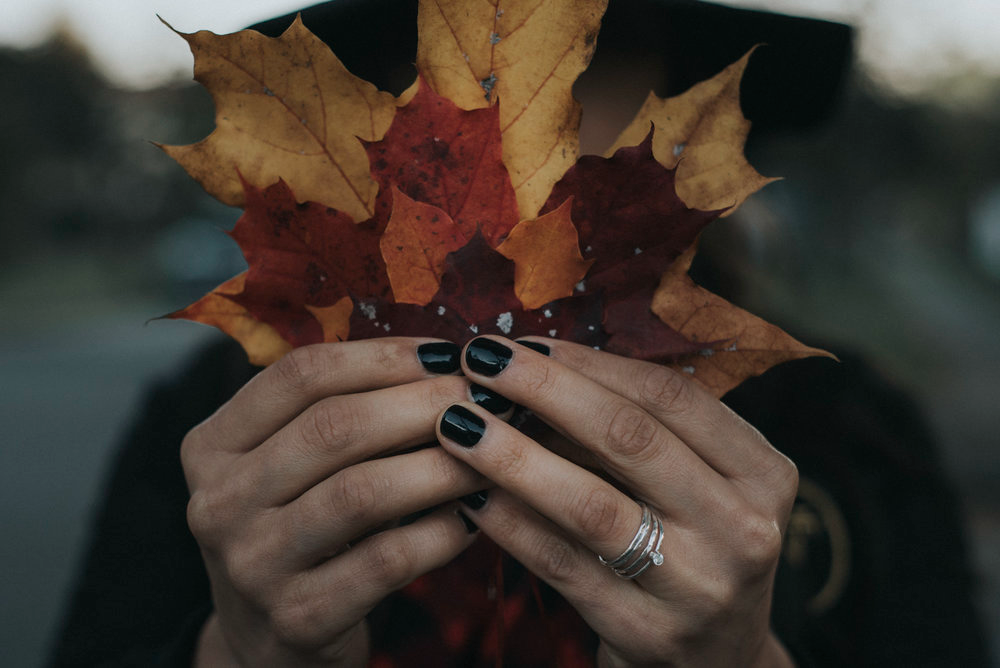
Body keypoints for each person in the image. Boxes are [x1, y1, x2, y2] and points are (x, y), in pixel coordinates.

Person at [49, 1, 989, 666]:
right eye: (448, 72)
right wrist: (241, 653)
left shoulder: (850, 426)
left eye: (580, 64)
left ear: (683, 108)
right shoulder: (224, 424)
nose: (502, 122)